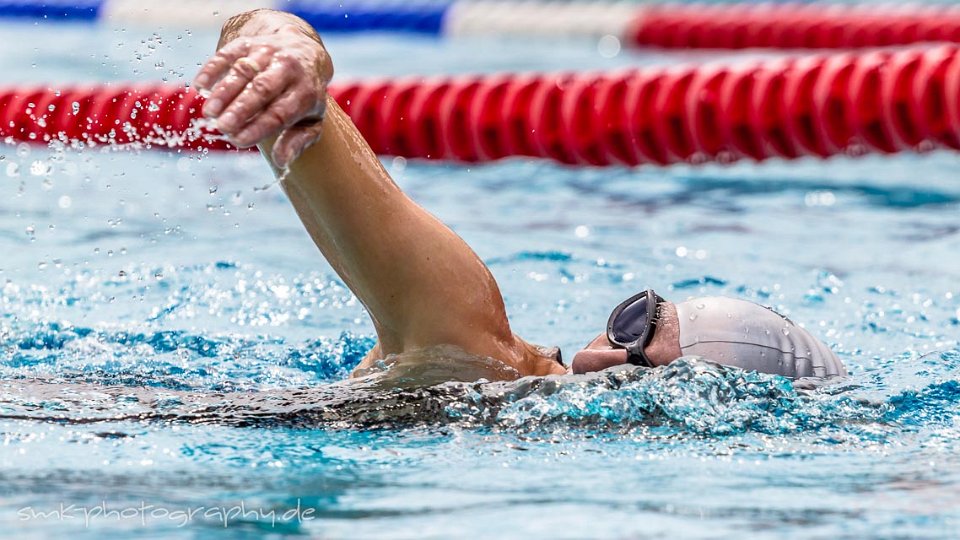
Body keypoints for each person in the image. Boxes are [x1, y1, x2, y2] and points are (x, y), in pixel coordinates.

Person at [192, 9, 846, 383]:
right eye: (628, 321)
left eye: (637, 372)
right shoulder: (477, 339)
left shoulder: (487, 376)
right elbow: (259, 27)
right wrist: (289, 53)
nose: (594, 355)